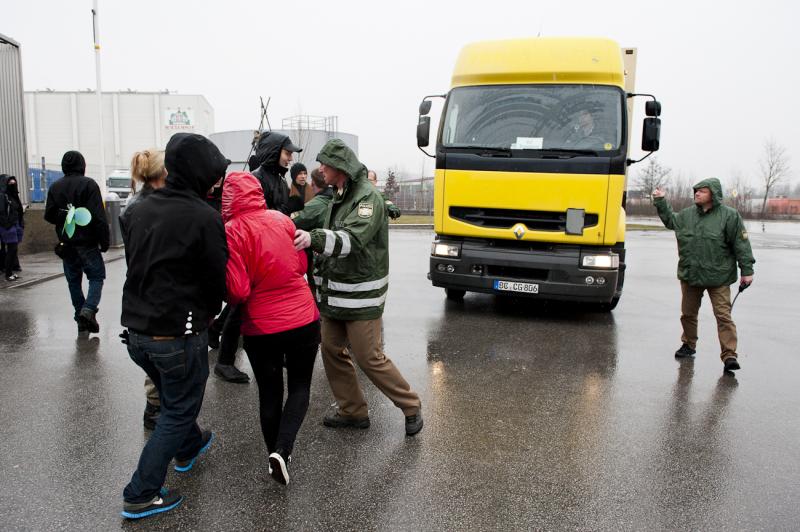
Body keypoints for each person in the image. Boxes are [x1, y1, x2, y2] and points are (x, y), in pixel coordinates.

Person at [119, 133, 228, 519]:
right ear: (202, 174)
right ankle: (142, 492)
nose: (217, 185)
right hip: (177, 334)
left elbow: (140, 265)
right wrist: (210, 313)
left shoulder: (137, 209)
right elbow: (219, 281)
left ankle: (189, 447)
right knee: (177, 410)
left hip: (136, 333)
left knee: (172, 398)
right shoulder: (204, 217)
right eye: (215, 178)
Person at [293, 139, 423, 436]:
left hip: (360, 297)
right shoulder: (340, 194)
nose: (321, 169)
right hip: (336, 295)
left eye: (325, 164)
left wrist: (312, 239)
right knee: (331, 350)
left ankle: (411, 405)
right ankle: (352, 410)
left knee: (369, 357)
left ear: (340, 168)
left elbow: (351, 239)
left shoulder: (367, 199)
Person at [223, 171, 320, 486]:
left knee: (269, 393)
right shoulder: (282, 220)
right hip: (303, 318)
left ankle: (273, 456)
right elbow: (302, 266)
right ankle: (283, 450)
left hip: (261, 326)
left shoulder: (230, 232)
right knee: (301, 387)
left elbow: (237, 291)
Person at [653, 178, 755, 373]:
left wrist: (747, 270)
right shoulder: (687, 215)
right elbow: (670, 221)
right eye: (696, 191)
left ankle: (729, 355)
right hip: (691, 275)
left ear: (713, 195)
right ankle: (688, 345)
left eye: (702, 191)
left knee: (723, 316)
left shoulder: (729, 216)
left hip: (719, 277)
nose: (697, 194)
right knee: (688, 314)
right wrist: (661, 201)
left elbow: (741, 244)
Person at [119, 149, 168, 432]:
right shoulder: (152, 207)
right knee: (159, 346)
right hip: (153, 287)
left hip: (140, 286)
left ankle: (154, 406)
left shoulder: (134, 205)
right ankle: (155, 407)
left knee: (153, 347)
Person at [44, 151, 110, 334]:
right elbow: (99, 217)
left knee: (73, 280)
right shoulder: (89, 185)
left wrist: (64, 215)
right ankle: (88, 310)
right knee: (96, 276)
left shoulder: (55, 187)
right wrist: (104, 241)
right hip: (87, 243)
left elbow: (48, 215)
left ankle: (81, 317)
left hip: (66, 243)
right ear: (82, 164)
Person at [251, 131, 303, 215]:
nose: (291, 159)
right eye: (287, 154)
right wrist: (286, 208)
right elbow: (259, 216)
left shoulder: (281, 179)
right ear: (274, 152)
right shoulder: (256, 179)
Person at [0, 174, 24, 281]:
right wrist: (7, 224)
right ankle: (8, 273)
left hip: (15, 225)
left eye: (14, 182)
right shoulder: (3, 196)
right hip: (8, 226)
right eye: (10, 183)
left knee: (13, 249)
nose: (13, 184)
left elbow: (18, 211)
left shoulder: (13, 195)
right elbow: (1, 212)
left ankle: (9, 272)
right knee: (12, 248)